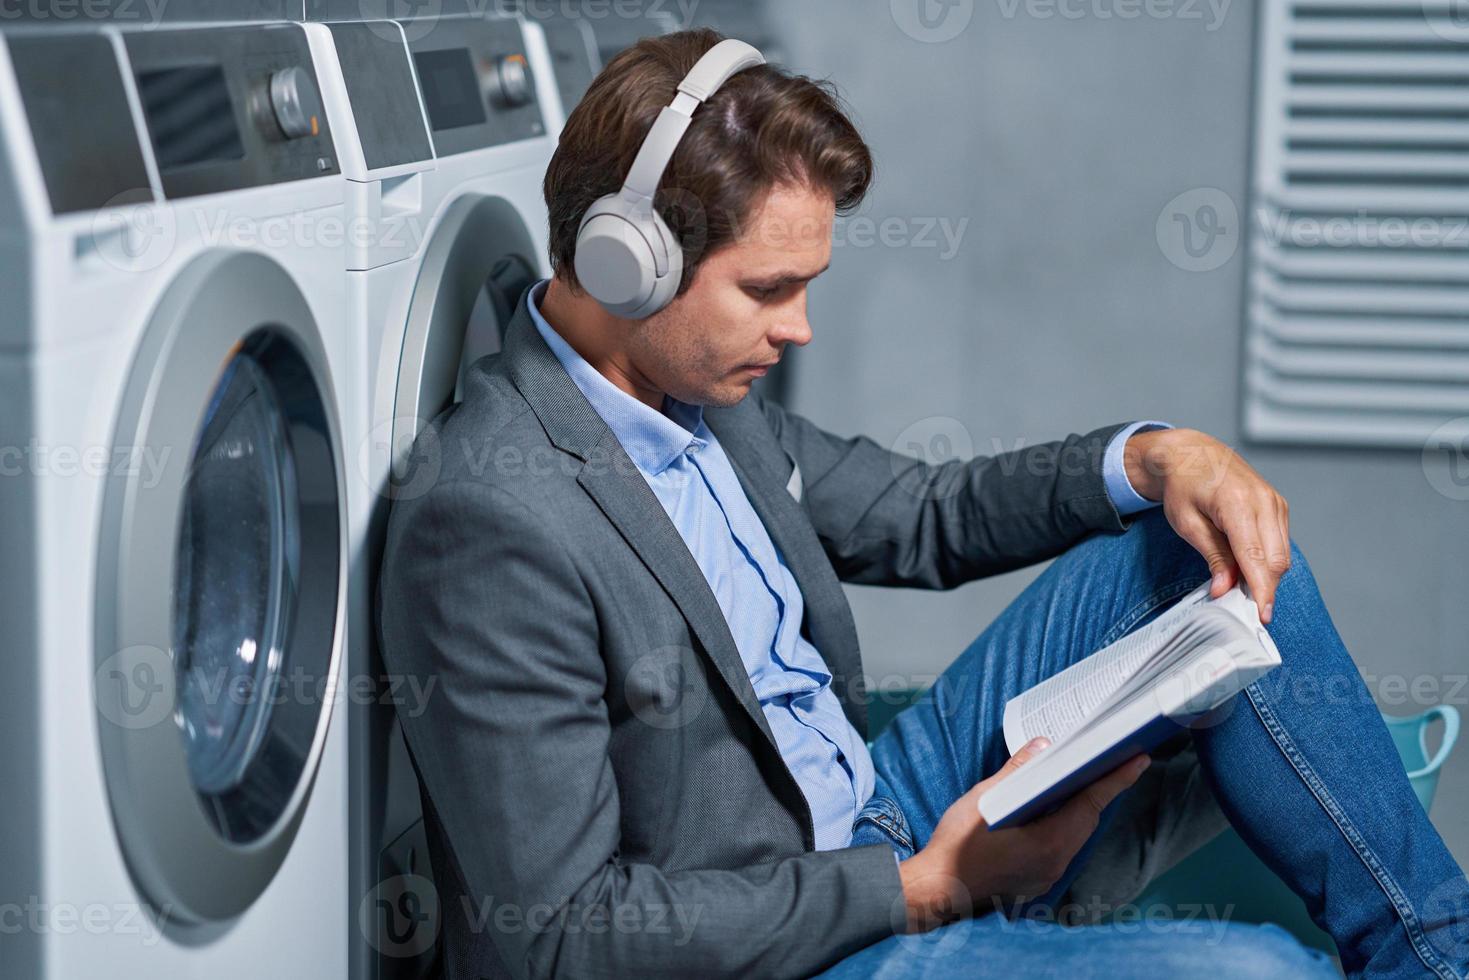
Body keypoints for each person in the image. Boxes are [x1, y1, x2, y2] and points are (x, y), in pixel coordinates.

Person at [376, 27, 1468, 979]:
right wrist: (916, 890)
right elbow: (566, 935)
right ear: (630, 266)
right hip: (798, 928)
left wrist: (1153, 457)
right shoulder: (487, 517)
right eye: (768, 289)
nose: (797, 329)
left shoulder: (702, 395)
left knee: (1190, 552)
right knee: (1254, 969)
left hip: (875, 804)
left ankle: (1436, 954)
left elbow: (923, 511)